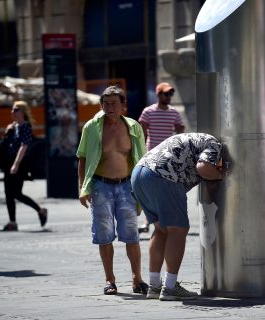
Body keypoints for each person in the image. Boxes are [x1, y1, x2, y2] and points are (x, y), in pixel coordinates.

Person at [131, 132, 225, 301]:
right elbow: (204, 167)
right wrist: (220, 176)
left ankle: (154, 286)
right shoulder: (214, 144)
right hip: (162, 176)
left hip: (139, 173)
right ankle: (170, 287)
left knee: (160, 229)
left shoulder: (196, 139)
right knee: (178, 230)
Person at [77, 86, 148, 295]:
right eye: (106, 104)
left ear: (123, 106)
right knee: (104, 235)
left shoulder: (133, 127)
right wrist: (82, 187)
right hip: (101, 186)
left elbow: (142, 159)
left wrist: (144, 189)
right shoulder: (92, 127)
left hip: (127, 186)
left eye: (114, 103)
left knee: (132, 235)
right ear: (101, 106)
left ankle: (137, 278)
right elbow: (82, 158)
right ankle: (110, 280)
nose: (109, 107)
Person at [137, 82, 185, 233]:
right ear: (158, 95)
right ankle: (147, 221)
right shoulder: (148, 111)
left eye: (170, 94)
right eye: (165, 94)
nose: (169, 96)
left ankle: (160, 220)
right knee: (150, 189)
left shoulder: (174, 112)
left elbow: (180, 129)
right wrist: (141, 153)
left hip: (168, 157)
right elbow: (141, 133)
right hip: (151, 155)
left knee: (163, 189)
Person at [0, 101, 48, 231]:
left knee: (16, 193)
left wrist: (16, 164)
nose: (12, 112)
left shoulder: (26, 126)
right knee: (8, 194)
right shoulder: (12, 126)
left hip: (20, 163)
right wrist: (7, 132)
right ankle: (12, 222)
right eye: (12, 110)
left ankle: (41, 210)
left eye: (16, 110)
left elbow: (24, 146)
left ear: (23, 112)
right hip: (8, 162)